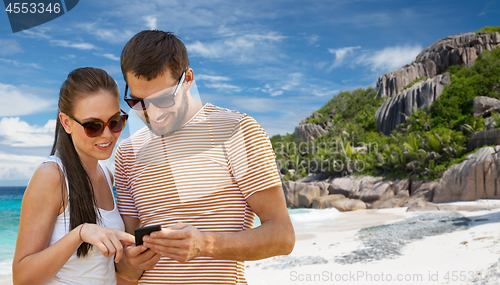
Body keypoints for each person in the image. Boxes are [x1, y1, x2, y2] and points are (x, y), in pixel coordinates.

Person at [115, 30, 295, 284]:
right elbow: (127, 258)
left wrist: (206, 244)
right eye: (138, 102)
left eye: (164, 99)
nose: (151, 114)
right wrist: (128, 262)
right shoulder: (127, 152)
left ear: (188, 79)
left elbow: (283, 236)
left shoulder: (238, 130)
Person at [12, 67, 135, 285]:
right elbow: (22, 278)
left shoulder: (107, 175)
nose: (107, 134)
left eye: (115, 121)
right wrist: (80, 234)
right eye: (93, 126)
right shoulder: (51, 176)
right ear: (67, 123)